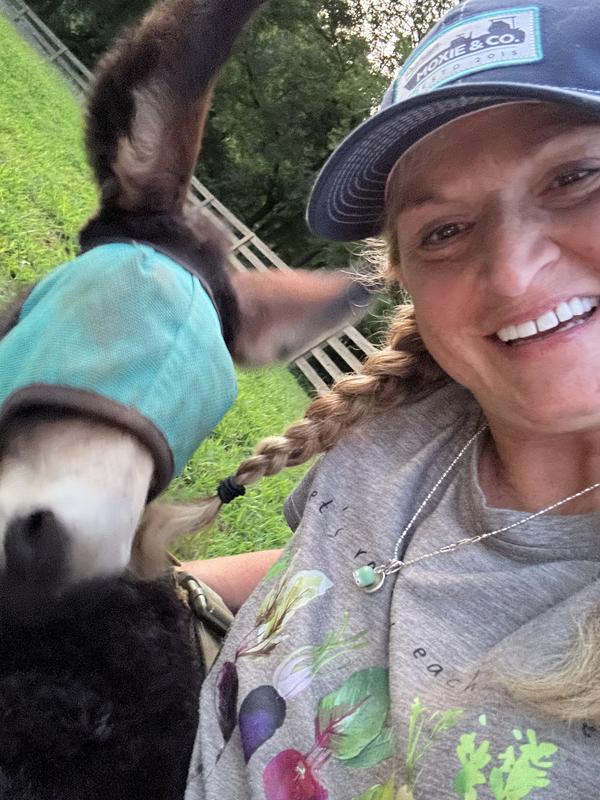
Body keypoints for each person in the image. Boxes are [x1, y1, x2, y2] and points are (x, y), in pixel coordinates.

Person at [182, 0, 600, 796]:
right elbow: (329, 579)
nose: (512, 274)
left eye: (576, 176)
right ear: (404, 273)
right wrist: (164, 592)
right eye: (444, 230)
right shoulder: (400, 430)